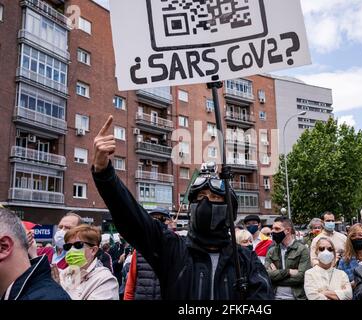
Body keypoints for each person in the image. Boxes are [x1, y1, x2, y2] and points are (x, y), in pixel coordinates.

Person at [91, 115, 274, 300]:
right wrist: (104, 173)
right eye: (200, 197)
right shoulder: (172, 249)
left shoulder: (246, 261)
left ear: (229, 211)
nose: (205, 203)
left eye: (214, 198)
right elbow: (132, 217)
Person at [0, 208, 71, 300]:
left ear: (4, 247)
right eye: (60, 227)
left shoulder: (50, 296)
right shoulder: (47, 251)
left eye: (68, 228)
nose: (62, 231)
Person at [56, 224, 119, 300]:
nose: (71, 250)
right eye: (68, 246)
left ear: (93, 250)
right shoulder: (63, 274)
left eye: (78, 245)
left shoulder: (105, 279)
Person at [124, 207, 173, 300]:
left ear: (168, 223)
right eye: (154, 219)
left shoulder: (176, 251)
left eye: (162, 219)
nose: (158, 223)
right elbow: (130, 284)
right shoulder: (139, 252)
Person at [265, 217, 311, 300]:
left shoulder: (302, 250)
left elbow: (301, 277)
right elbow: (267, 275)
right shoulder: (271, 251)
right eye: (272, 229)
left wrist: (276, 277)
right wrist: (288, 271)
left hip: (296, 297)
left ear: (288, 230)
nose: (273, 231)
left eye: (277, 229)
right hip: (274, 296)